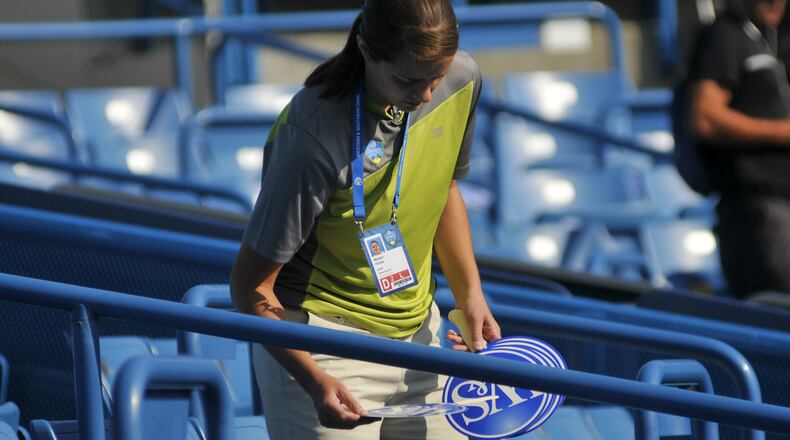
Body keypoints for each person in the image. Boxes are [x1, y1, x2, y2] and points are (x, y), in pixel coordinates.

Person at [229, 1, 501, 438]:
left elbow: (444, 188)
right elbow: (249, 289)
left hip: (421, 334)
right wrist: (313, 378)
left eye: (436, 75)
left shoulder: (462, 80)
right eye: (408, 80)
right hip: (323, 346)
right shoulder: (311, 133)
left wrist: (471, 294)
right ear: (366, 51)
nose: (427, 94)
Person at [688, 0, 790, 298]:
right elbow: (705, 119)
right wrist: (782, 132)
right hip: (759, 212)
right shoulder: (724, 35)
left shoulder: (768, 38)